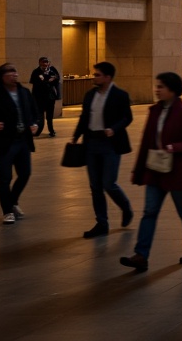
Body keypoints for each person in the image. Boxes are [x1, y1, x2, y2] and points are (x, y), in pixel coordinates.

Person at [120, 72, 182, 271]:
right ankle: (141, 255)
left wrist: (176, 147)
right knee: (149, 211)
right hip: (155, 169)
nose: (157, 90)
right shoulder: (154, 111)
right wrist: (138, 170)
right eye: (156, 86)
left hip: (178, 170)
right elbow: (146, 142)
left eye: (161, 87)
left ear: (172, 90)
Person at [71, 61, 133, 237]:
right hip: (91, 142)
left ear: (108, 77)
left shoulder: (120, 95)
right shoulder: (90, 95)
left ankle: (125, 207)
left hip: (110, 143)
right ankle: (101, 223)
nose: (94, 77)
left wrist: (114, 128)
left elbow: (127, 117)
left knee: (108, 183)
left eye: (97, 74)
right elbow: (84, 118)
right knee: (95, 186)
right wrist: (75, 136)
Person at [0, 63, 39, 224]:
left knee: (25, 174)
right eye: (9, 72)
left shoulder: (24, 93)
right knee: (5, 178)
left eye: (15, 71)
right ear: (1, 77)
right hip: (4, 142)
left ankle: (12, 201)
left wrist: (34, 123)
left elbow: (34, 112)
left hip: (23, 141)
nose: (14, 74)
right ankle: (7, 211)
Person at [28, 56, 61, 137]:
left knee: (50, 116)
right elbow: (36, 82)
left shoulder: (52, 69)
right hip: (39, 98)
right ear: (40, 63)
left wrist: (51, 80)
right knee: (40, 116)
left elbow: (57, 78)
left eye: (46, 62)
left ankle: (51, 130)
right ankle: (38, 131)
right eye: (43, 62)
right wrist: (48, 80)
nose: (45, 64)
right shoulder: (36, 72)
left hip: (50, 97)